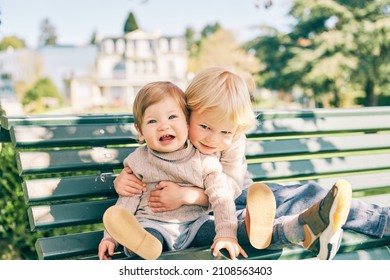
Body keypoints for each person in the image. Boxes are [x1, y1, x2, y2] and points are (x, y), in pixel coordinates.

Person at [114, 66, 365, 260]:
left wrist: (188, 195)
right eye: (204, 127)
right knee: (257, 215)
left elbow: (230, 189)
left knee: (305, 194)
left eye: (226, 133)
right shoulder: (170, 139)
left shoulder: (230, 137)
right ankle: (306, 231)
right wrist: (123, 181)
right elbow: (141, 170)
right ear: (187, 113)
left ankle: (371, 221)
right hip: (212, 211)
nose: (214, 139)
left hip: (236, 194)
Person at [98, 80, 275, 260]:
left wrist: (227, 234)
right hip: (154, 223)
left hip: (195, 224)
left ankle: (253, 228)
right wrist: (111, 237)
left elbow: (221, 197)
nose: (164, 126)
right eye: (152, 121)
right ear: (140, 131)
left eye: (172, 117)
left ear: (187, 122)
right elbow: (127, 200)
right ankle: (144, 247)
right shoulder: (139, 161)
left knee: (216, 229)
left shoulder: (202, 159)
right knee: (146, 236)